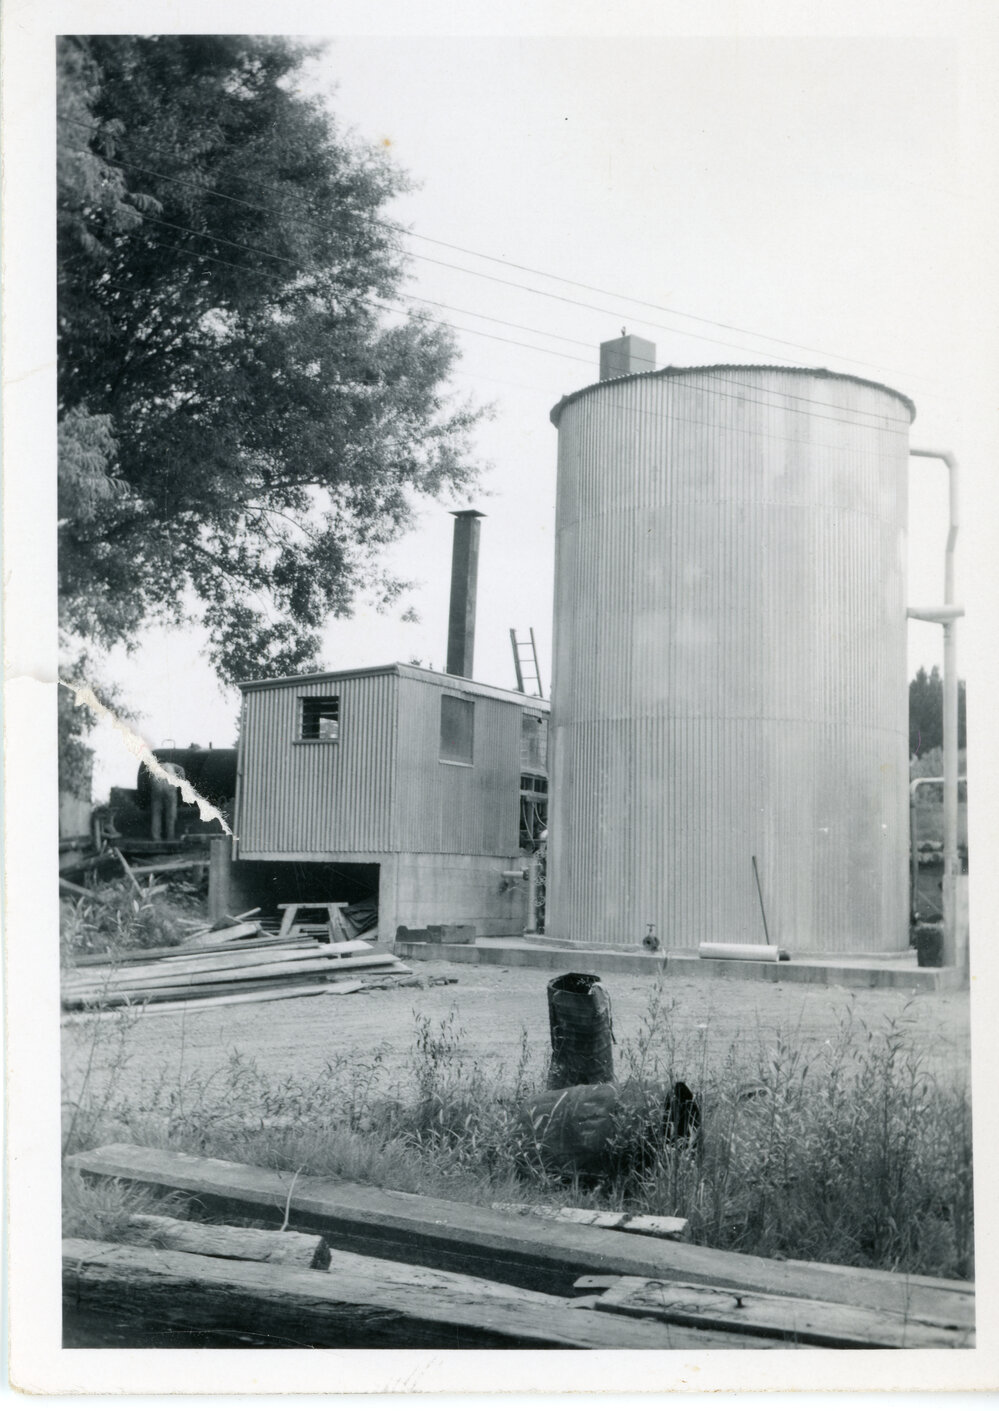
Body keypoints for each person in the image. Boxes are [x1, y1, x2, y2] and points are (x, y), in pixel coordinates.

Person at [149, 761, 186, 841]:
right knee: (170, 813)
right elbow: (181, 769)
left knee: (156, 813)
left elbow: (150, 779)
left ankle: (156, 837)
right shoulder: (171, 765)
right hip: (169, 785)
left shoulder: (155, 766)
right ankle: (170, 837)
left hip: (157, 785)